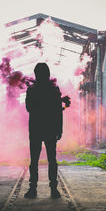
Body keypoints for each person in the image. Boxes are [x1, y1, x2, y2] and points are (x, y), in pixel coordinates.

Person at [24, 62, 63, 199]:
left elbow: (28, 108)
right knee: (52, 159)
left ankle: (33, 189)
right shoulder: (54, 89)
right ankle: (53, 189)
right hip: (50, 129)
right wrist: (60, 129)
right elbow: (58, 111)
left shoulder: (31, 89)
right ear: (48, 74)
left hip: (35, 128)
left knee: (34, 160)